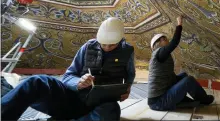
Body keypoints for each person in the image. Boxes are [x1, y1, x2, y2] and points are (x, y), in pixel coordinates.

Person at [1, 17, 135, 121]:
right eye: (103, 44)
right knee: (36, 82)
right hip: (72, 97)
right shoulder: (88, 47)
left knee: (110, 113)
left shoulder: (127, 52)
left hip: (100, 104)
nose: (106, 48)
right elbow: (68, 76)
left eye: (111, 45)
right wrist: (78, 82)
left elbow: (129, 77)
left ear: (120, 40)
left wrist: (126, 89)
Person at [147, 15, 214, 111]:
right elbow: (174, 42)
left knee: (183, 75)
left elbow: (170, 77)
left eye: (165, 38)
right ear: (158, 43)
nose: (166, 40)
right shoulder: (159, 53)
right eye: (164, 39)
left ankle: (183, 99)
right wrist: (179, 23)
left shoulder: (161, 55)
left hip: (162, 95)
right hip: (158, 102)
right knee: (188, 80)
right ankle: (205, 100)